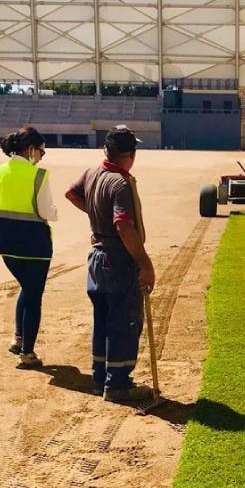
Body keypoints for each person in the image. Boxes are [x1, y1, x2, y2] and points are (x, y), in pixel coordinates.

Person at [65, 126, 156, 402]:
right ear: (131, 155)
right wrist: (144, 263)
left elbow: (71, 193)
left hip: (97, 258)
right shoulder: (120, 183)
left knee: (103, 320)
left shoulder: (92, 174)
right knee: (124, 322)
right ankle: (117, 384)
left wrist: (95, 212)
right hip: (118, 260)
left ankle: (100, 377)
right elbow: (124, 226)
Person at [0, 127, 57, 368]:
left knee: (26, 289)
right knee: (34, 295)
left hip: (7, 245)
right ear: (31, 149)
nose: (41, 157)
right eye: (41, 152)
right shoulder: (38, 175)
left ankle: (18, 339)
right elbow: (47, 211)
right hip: (35, 245)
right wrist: (55, 213)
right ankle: (27, 351)